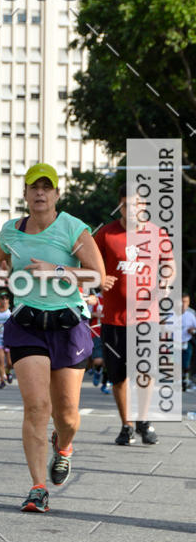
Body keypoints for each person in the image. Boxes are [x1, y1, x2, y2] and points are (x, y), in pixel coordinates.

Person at [0, 163, 105, 512]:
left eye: (47, 187)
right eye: (33, 187)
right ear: (25, 194)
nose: (40, 193)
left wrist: (55, 269)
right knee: (37, 406)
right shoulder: (11, 230)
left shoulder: (73, 228)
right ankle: (38, 487)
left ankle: (65, 445)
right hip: (26, 324)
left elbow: (97, 277)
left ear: (57, 194)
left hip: (68, 326)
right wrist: (2, 286)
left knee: (67, 415)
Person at [94, 186, 170, 446]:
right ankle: (126, 425)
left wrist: (166, 282)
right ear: (120, 207)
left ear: (145, 206)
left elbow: (168, 265)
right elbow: (89, 265)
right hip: (113, 319)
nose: (132, 210)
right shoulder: (106, 234)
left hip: (146, 317)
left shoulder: (157, 233)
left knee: (144, 373)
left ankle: (144, 421)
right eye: (126, 205)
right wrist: (100, 279)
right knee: (118, 376)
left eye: (137, 205)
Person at [181, 292, 196, 392]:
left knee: (186, 363)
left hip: (187, 341)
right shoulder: (170, 312)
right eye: (182, 302)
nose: (183, 304)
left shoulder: (192, 313)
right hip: (173, 341)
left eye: (186, 302)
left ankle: (185, 381)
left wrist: (193, 331)